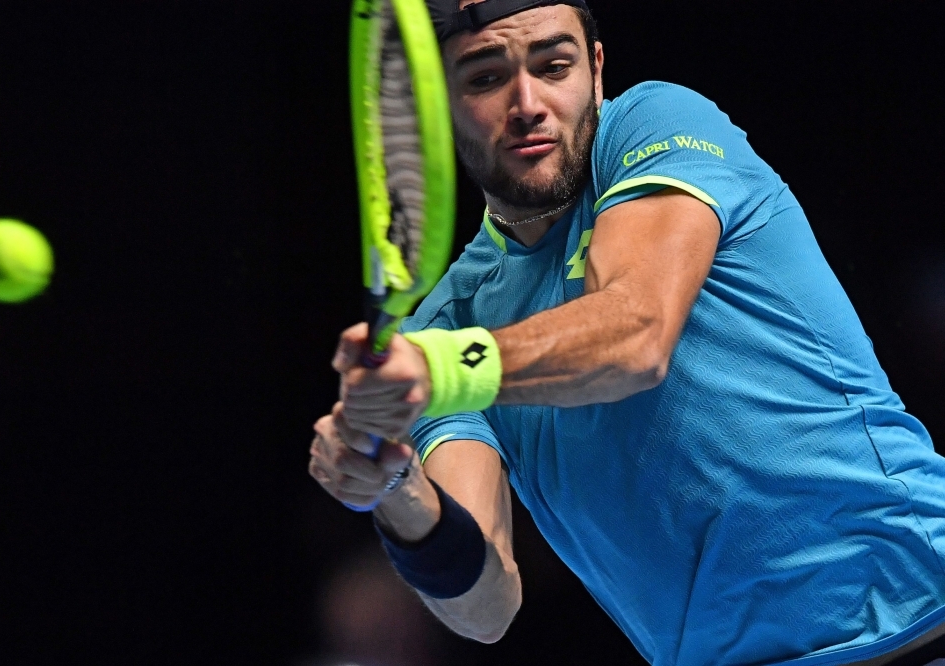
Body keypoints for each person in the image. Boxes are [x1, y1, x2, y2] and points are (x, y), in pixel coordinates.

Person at [308, 1, 945, 664]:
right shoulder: (447, 323)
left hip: (923, 619)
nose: (529, 102)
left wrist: (436, 371)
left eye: (555, 66)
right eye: (486, 79)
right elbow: (486, 606)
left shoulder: (657, 123)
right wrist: (393, 486)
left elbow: (636, 333)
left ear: (598, 69)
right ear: (436, 106)